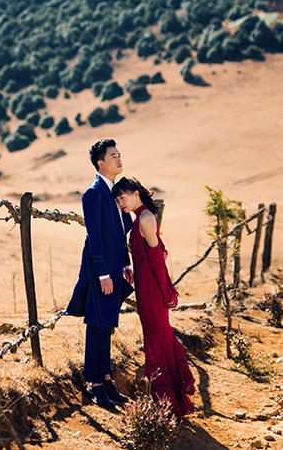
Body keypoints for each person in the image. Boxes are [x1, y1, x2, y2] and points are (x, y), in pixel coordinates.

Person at [112, 177, 195, 418]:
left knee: (157, 342)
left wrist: (165, 290)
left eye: (123, 197)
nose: (120, 203)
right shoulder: (141, 218)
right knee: (158, 339)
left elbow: (158, 260)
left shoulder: (146, 218)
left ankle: (167, 405)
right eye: (117, 200)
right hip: (146, 286)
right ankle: (168, 402)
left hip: (152, 289)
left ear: (135, 193)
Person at [66, 138, 134, 412]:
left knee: (107, 323)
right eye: (113, 155)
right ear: (100, 163)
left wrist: (126, 263)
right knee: (97, 324)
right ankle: (93, 384)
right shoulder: (93, 193)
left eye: (120, 154)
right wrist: (104, 273)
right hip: (99, 270)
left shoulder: (113, 192)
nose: (119, 158)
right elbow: (94, 236)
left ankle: (105, 379)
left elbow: (118, 234)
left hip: (115, 267)